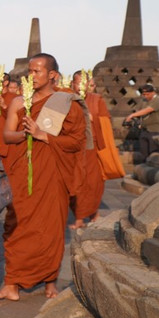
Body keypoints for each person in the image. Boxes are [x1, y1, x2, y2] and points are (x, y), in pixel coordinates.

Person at [0, 53, 86, 301]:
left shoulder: (66, 103)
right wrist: (28, 134)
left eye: (37, 72)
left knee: (50, 228)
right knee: (17, 223)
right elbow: (7, 135)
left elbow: (77, 142)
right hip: (21, 174)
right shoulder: (18, 103)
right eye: (29, 72)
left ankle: (49, 281)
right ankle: (11, 283)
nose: (31, 76)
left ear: (52, 75)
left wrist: (43, 135)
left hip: (52, 176)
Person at [69, 71, 105, 229]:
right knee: (74, 182)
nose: (81, 86)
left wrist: (91, 118)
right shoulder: (68, 99)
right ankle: (79, 217)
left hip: (91, 148)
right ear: (72, 84)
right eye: (78, 83)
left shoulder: (96, 100)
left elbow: (105, 124)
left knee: (91, 182)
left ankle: (91, 214)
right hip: (72, 147)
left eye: (85, 83)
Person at [125, 84, 159, 163]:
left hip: (155, 130)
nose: (146, 96)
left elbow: (148, 110)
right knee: (143, 152)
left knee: (153, 153)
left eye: (148, 94)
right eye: (144, 94)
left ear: (153, 92)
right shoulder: (143, 100)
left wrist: (132, 115)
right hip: (144, 129)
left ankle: (151, 172)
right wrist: (133, 120)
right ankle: (143, 170)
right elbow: (138, 111)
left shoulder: (158, 100)